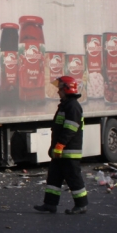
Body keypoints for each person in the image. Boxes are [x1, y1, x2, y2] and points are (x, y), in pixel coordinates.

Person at [34, 75, 88, 215]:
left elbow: (70, 129)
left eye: (60, 89)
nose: (58, 91)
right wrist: (55, 147)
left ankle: (81, 204)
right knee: (54, 178)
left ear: (67, 89)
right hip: (60, 151)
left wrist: (60, 145)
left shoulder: (73, 107)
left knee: (73, 178)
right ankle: (50, 204)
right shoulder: (65, 105)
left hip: (69, 152)